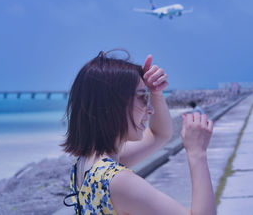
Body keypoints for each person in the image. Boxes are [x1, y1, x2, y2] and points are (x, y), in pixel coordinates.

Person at [61, 49, 216, 215]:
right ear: (114, 105)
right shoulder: (119, 181)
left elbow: (159, 134)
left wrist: (155, 92)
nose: (150, 110)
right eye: (142, 97)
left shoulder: (87, 164)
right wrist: (197, 153)